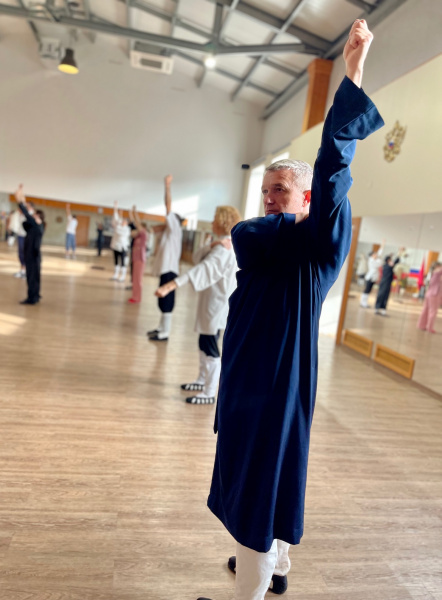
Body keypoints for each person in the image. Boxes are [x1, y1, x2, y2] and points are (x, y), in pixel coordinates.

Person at [195, 20, 384, 600]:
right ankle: (276, 566)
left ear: (307, 198)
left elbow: (333, 169)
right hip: (247, 385)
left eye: (282, 190)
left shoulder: (316, 250)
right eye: (266, 191)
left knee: (259, 490)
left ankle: (255, 580)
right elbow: (248, 233)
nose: (270, 199)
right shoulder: (261, 239)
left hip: (276, 392)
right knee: (267, 483)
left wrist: (352, 72)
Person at [155, 206, 241, 403]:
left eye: (214, 218)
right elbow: (197, 258)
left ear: (223, 221)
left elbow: (203, 269)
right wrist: (211, 245)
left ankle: (209, 392)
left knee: (209, 344)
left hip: (217, 304)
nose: (211, 222)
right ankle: (202, 380)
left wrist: (172, 284)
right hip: (211, 301)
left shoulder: (225, 248)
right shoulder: (220, 244)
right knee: (204, 342)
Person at [148, 175, 184, 342]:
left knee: (167, 301)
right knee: (162, 301)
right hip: (166, 269)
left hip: (170, 269)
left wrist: (167, 186)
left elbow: (168, 206)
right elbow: (153, 229)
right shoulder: (170, 232)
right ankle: (161, 328)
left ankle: (165, 333)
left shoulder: (175, 228)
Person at [15, 185, 46, 305]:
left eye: (35, 215)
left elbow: (26, 212)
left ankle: (32, 298)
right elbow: (26, 219)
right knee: (35, 277)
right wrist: (22, 197)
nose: (33, 216)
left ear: (38, 217)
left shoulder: (36, 225)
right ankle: (35, 295)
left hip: (32, 255)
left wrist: (20, 199)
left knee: (32, 277)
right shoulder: (37, 226)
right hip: (34, 255)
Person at [374, 248, 405, 316]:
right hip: (385, 283)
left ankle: (382, 310)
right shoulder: (387, 266)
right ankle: (377, 308)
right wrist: (399, 253)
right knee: (381, 295)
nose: (391, 261)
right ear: (388, 261)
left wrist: (392, 255)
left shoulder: (387, 266)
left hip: (386, 283)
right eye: (390, 260)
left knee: (385, 296)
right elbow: (395, 261)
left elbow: (394, 262)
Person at [127, 206, 148, 304]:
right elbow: (133, 225)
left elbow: (137, 223)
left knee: (138, 279)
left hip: (140, 259)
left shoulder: (144, 234)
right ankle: (134, 296)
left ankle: (137, 297)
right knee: (135, 279)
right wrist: (130, 214)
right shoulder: (138, 236)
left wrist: (135, 213)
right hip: (135, 259)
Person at [417, 262, 442, 334]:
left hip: (429, 293)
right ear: (437, 266)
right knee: (433, 311)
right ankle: (429, 328)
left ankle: (421, 325)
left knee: (425, 310)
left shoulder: (432, 273)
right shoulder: (437, 272)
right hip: (434, 294)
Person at [110, 201, 131, 282]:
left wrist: (117, 226)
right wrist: (115, 207)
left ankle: (122, 276)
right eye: (122, 220)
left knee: (122, 262)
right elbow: (115, 217)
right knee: (116, 261)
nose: (122, 222)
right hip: (116, 246)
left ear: (127, 223)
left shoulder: (127, 229)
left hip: (123, 247)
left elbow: (120, 233)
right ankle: (115, 275)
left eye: (124, 221)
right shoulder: (118, 226)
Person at [359, 242, 385, 308]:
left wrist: (382, 245)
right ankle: (363, 303)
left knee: (368, 290)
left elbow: (379, 254)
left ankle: (364, 302)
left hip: (373, 278)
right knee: (367, 290)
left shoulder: (374, 260)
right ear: (372, 255)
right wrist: (379, 257)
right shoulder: (372, 261)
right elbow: (379, 262)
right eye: (375, 254)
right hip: (370, 278)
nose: (376, 255)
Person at [9, 207, 27, 278]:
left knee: (24, 254)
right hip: (20, 235)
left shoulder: (27, 216)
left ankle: (24, 271)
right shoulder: (18, 215)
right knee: (20, 254)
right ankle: (22, 270)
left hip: (25, 236)